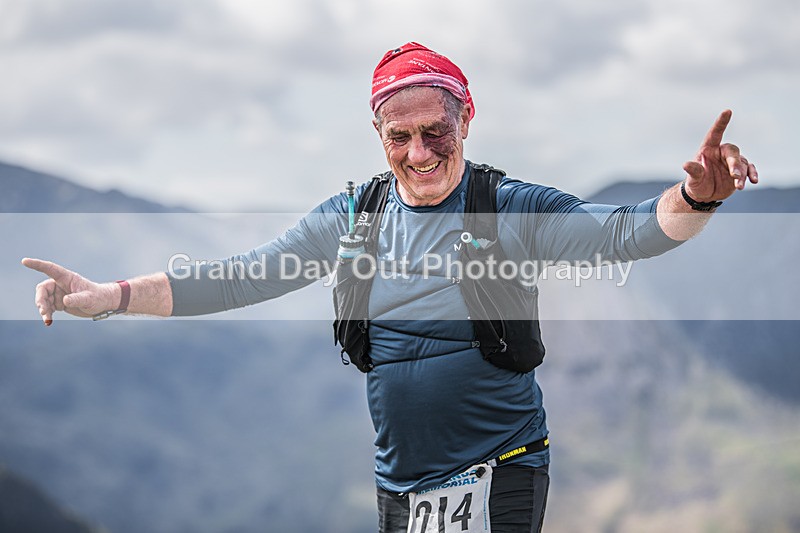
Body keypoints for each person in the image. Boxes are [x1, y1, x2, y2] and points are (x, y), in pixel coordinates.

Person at [22, 42, 758, 532]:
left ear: (467, 118)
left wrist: (696, 198)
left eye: (436, 130)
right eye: (399, 136)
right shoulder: (353, 218)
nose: (419, 152)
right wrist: (112, 296)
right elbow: (238, 278)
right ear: (379, 135)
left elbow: (626, 232)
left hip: (502, 469)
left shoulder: (510, 207)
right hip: (400, 486)